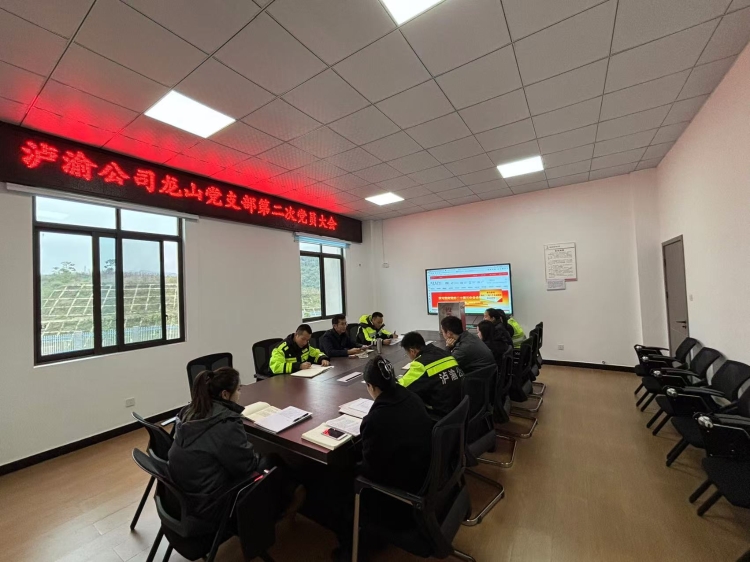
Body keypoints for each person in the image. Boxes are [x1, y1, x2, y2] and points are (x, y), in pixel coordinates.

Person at [168, 367, 299, 521]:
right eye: (238, 390)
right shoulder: (225, 422)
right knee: (273, 461)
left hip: (185, 497)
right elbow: (247, 466)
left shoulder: (190, 411)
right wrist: (254, 452)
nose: (239, 393)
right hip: (212, 505)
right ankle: (286, 508)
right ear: (225, 394)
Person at [399, 331, 464, 418]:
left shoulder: (421, 364)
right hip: (461, 408)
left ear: (412, 351)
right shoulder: (443, 352)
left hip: (443, 415)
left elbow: (400, 387)